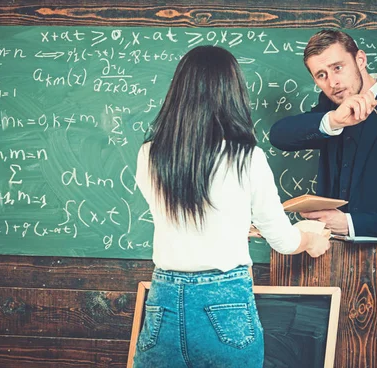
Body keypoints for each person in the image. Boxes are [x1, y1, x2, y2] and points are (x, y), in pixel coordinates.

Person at [132, 45, 330, 368]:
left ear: (177, 92)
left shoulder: (149, 156)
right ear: (232, 94)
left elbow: (179, 219)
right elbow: (283, 240)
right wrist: (310, 237)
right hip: (226, 304)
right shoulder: (247, 158)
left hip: (163, 302)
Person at [269, 29, 377, 238]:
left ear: (360, 60)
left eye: (338, 68)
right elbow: (279, 135)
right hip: (329, 252)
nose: (332, 83)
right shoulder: (330, 107)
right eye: (321, 75)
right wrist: (333, 120)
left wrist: (350, 223)